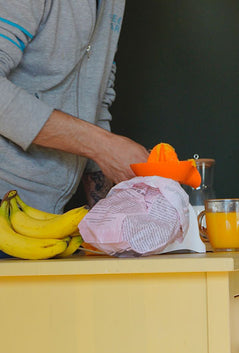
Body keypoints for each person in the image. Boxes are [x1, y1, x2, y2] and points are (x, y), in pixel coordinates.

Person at [0, 0, 148, 215]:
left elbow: (96, 100)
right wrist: (102, 146)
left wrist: (108, 217)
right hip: (6, 201)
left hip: (48, 215)